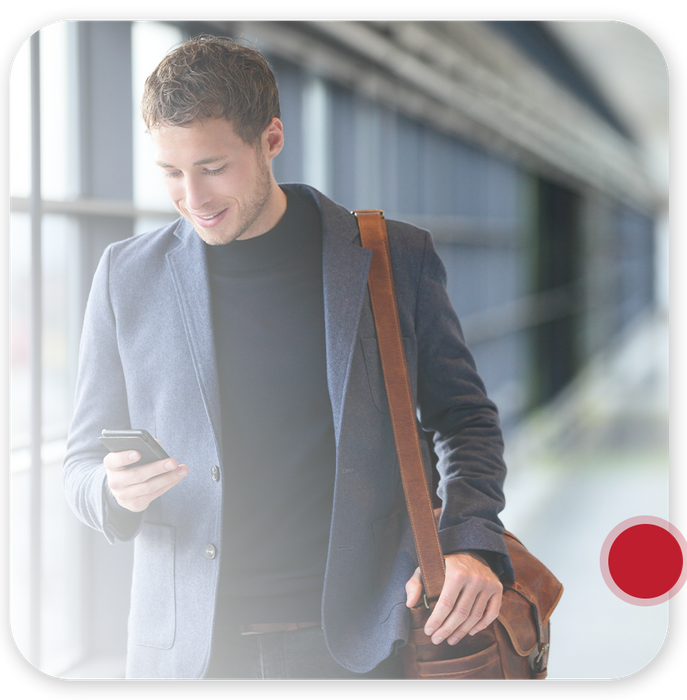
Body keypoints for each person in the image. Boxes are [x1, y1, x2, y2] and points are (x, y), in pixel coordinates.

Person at [62, 35, 513, 680]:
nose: (192, 196)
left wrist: (471, 539)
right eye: (170, 173)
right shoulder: (125, 276)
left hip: (357, 643)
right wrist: (110, 491)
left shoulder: (390, 258)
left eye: (213, 166)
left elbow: (465, 418)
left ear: (271, 139)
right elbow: (79, 464)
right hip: (192, 651)